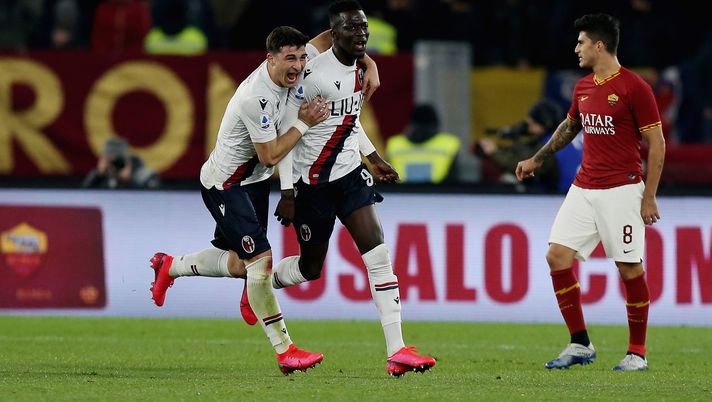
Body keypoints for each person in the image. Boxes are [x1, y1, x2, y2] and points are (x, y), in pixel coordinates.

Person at [149, 26, 330, 375]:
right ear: (270, 59)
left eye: (301, 57)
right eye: (290, 59)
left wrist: (367, 61)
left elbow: (327, 39)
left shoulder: (299, 64)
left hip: (254, 183)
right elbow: (269, 155)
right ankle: (285, 350)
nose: (298, 65)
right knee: (260, 261)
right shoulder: (255, 98)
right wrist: (304, 124)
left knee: (239, 264)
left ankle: (169, 266)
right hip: (225, 184)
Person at [269, 0, 436, 377]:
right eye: (350, 29)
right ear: (333, 33)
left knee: (378, 253)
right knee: (311, 268)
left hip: (347, 175)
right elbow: (284, 133)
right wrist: (288, 193)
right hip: (311, 184)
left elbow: (350, 120)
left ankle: (397, 351)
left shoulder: (362, 70)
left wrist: (372, 158)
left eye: (363, 28)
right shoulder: (310, 74)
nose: (360, 35)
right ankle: (261, 284)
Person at [515, 13, 665, 371]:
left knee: (629, 269)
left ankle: (636, 353)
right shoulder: (583, 87)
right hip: (583, 187)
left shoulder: (634, 87)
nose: (576, 48)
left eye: (581, 42)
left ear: (599, 45)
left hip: (623, 190)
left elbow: (656, 144)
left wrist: (649, 196)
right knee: (557, 257)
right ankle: (580, 344)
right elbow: (569, 127)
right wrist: (537, 159)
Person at [478, 99, 582, 193]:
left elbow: (522, 167)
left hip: (565, 198)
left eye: (532, 124)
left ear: (544, 124)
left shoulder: (551, 145)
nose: (528, 128)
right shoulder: (575, 135)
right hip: (583, 192)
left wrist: (495, 151)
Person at [385, 103, 460, 184]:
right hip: (438, 194)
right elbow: (453, 180)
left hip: (400, 194)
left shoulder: (394, 144)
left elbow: (386, 177)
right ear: (436, 123)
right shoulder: (450, 144)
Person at [83, 136, 160, 189]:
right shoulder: (105, 174)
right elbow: (84, 197)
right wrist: (98, 175)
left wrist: (128, 181)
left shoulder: (145, 175)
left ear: (127, 159)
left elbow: (152, 200)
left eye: (118, 161)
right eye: (110, 161)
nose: (114, 165)